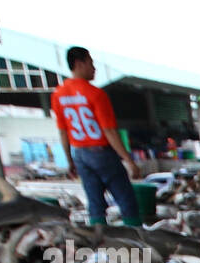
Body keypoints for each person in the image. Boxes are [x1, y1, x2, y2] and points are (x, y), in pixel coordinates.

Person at [51, 47, 141, 227]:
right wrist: (129, 161)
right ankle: (138, 245)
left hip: (80, 155)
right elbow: (109, 131)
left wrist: (70, 160)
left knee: (95, 204)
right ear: (79, 64)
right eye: (91, 63)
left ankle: (100, 244)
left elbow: (63, 132)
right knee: (126, 201)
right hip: (101, 153)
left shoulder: (58, 95)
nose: (94, 68)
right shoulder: (96, 94)